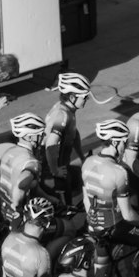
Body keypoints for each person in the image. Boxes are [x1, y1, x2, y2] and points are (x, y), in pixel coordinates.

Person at [43, 70, 93, 206]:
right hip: (53, 167)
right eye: (84, 96)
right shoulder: (62, 115)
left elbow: (73, 133)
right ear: (72, 97)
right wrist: (55, 171)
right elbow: (50, 144)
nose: (87, 99)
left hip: (61, 163)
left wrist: (82, 157)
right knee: (65, 207)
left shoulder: (68, 110)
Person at [0, 112, 46, 230]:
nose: (44, 137)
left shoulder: (9, 152)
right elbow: (22, 183)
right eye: (40, 134)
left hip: (4, 208)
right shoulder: (31, 162)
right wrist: (17, 205)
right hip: (20, 215)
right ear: (29, 137)